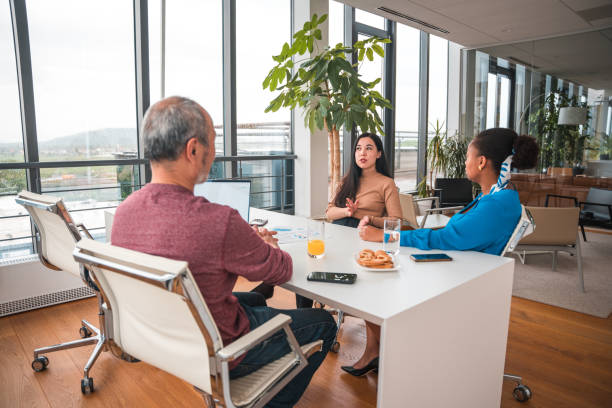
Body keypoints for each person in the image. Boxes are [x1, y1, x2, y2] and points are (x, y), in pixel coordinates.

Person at [111, 96, 336, 407]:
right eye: (212, 143)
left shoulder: (124, 213)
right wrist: (266, 245)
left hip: (168, 341)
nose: (214, 153)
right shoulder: (219, 221)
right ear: (193, 150)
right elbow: (281, 270)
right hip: (221, 350)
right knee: (324, 323)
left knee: (256, 298)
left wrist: (242, 243)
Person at [344, 128, 539, 377]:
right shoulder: (496, 196)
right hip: (459, 267)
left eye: (469, 156)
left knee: (378, 282)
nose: (465, 162)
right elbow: (454, 235)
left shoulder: (496, 205)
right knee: (379, 277)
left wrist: (385, 236)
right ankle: (376, 351)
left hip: (457, 280)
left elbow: (445, 237)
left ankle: (389, 356)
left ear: (481, 162)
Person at [296, 133, 403, 308]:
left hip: (361, 237)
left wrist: (369, 218)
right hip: (336, 233)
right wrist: (347, 211)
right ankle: (307, 318)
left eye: (369, 149)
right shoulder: (346, 181)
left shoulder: (386, 183)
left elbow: (396, 221)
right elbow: (329, 212)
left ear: (379, 154)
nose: (363, 153)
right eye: (358, 149)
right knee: (305, 271)